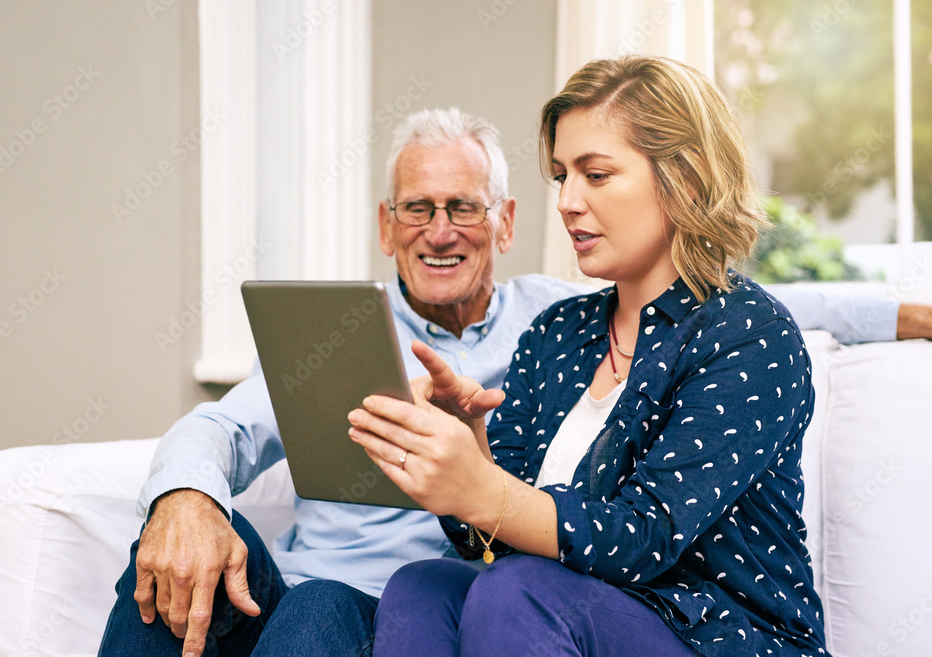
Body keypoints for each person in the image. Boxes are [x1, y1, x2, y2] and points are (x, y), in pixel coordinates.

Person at [98, 106, 930, 657]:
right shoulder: (341, 332)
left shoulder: (562, 316)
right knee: (174, 552)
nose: (439, 232)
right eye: (417, 210)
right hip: (335, 592)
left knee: (346, 606)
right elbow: (219, 430)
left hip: (405, 605)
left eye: (463, 207)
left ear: (504, 221)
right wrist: (186, 500)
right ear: (386, 228)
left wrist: (903, 310)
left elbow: (740, 301)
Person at [348, 57, 829, 656]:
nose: (568, 201)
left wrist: (479, 489)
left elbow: (643, 535)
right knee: (422, 585)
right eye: (560, 177)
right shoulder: (559, 331)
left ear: (683, 181)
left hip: (718, 635)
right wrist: (466, 441)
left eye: (595, 175)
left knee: (518, 589)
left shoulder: (749, 335)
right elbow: (493, 538)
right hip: (567, 609)